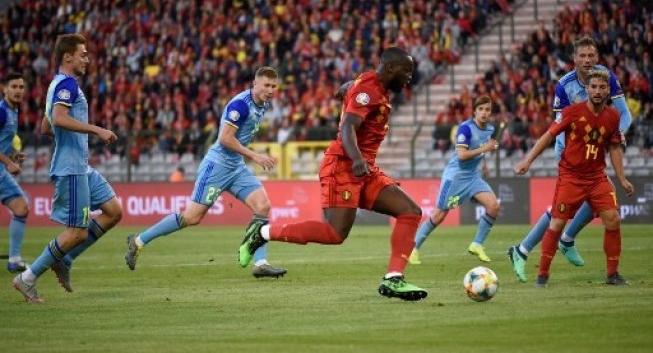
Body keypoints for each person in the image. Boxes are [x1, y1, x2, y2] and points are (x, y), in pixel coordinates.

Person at [238, 47, 428, 301]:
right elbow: (349, 127)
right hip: (344, 165)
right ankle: (261, 233)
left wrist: (345, 89)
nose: (409, 77)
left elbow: (351, 87)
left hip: (365, 169)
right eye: (407, 71)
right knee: (335, 234)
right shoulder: (369, 91)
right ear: (391, 68)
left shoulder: (370, 84)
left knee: (410, 211)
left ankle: (394, 278)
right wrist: (357, 159)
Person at [125, 66, 287, 279]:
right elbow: (225, 139)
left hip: (235, 166)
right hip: (217, 166)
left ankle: (260, 263)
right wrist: (255, 156)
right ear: (255, 84)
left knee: (263, 206)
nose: (270, 90)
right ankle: (139, 241)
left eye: (273, 86)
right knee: (191, 217)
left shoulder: (263, 104)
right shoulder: (240, 105)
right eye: (266, 85)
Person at [507, 36, 632, 282]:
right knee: (560, 213)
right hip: (570, 153)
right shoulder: (564, 86)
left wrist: (617, 133)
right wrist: (573, 152)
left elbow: (623, 113)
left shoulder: (607, 79)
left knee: (601, 205)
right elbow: (557, 129)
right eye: (582, 56)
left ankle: (562, 241)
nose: (587, 60)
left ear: (597, 58)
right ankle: (530, 249)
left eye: (591, 56)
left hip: (596, 153)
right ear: (574, 59)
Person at [13, 34, 120, 303]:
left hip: (80, 166)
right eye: (83, 54)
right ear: (67, 57)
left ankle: (65, 258)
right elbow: (58, 119)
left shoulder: (57, 85)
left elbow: (46, 126)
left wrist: (69, 138)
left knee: (113, 211)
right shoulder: (68, 85)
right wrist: (96, 130)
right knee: (76, 232)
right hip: (71, 168)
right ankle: (27, 278)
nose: (87, 59)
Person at [408, 95, 500, 265]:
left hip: (473, 177)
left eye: (487, 109)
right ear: (474, 111)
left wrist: (484, 163)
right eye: (481, 109)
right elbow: (462, 155)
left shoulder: (490, 129)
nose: (484, 113)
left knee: (493, 206)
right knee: (439, 215)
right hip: (456, 177)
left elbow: (482, 146)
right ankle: (413, 249)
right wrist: (485, 148)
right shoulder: (465, 128)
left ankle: (477, 244)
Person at [0, 72, 30, 273]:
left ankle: (14, 258)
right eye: (14, 87)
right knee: (21, 207)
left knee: (21, 206)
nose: (18, 90)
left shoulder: (13, 110)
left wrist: (14, 154)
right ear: (4, 89)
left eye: (21, 87)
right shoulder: (2, 112)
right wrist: (8, 163)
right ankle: (14, 259)